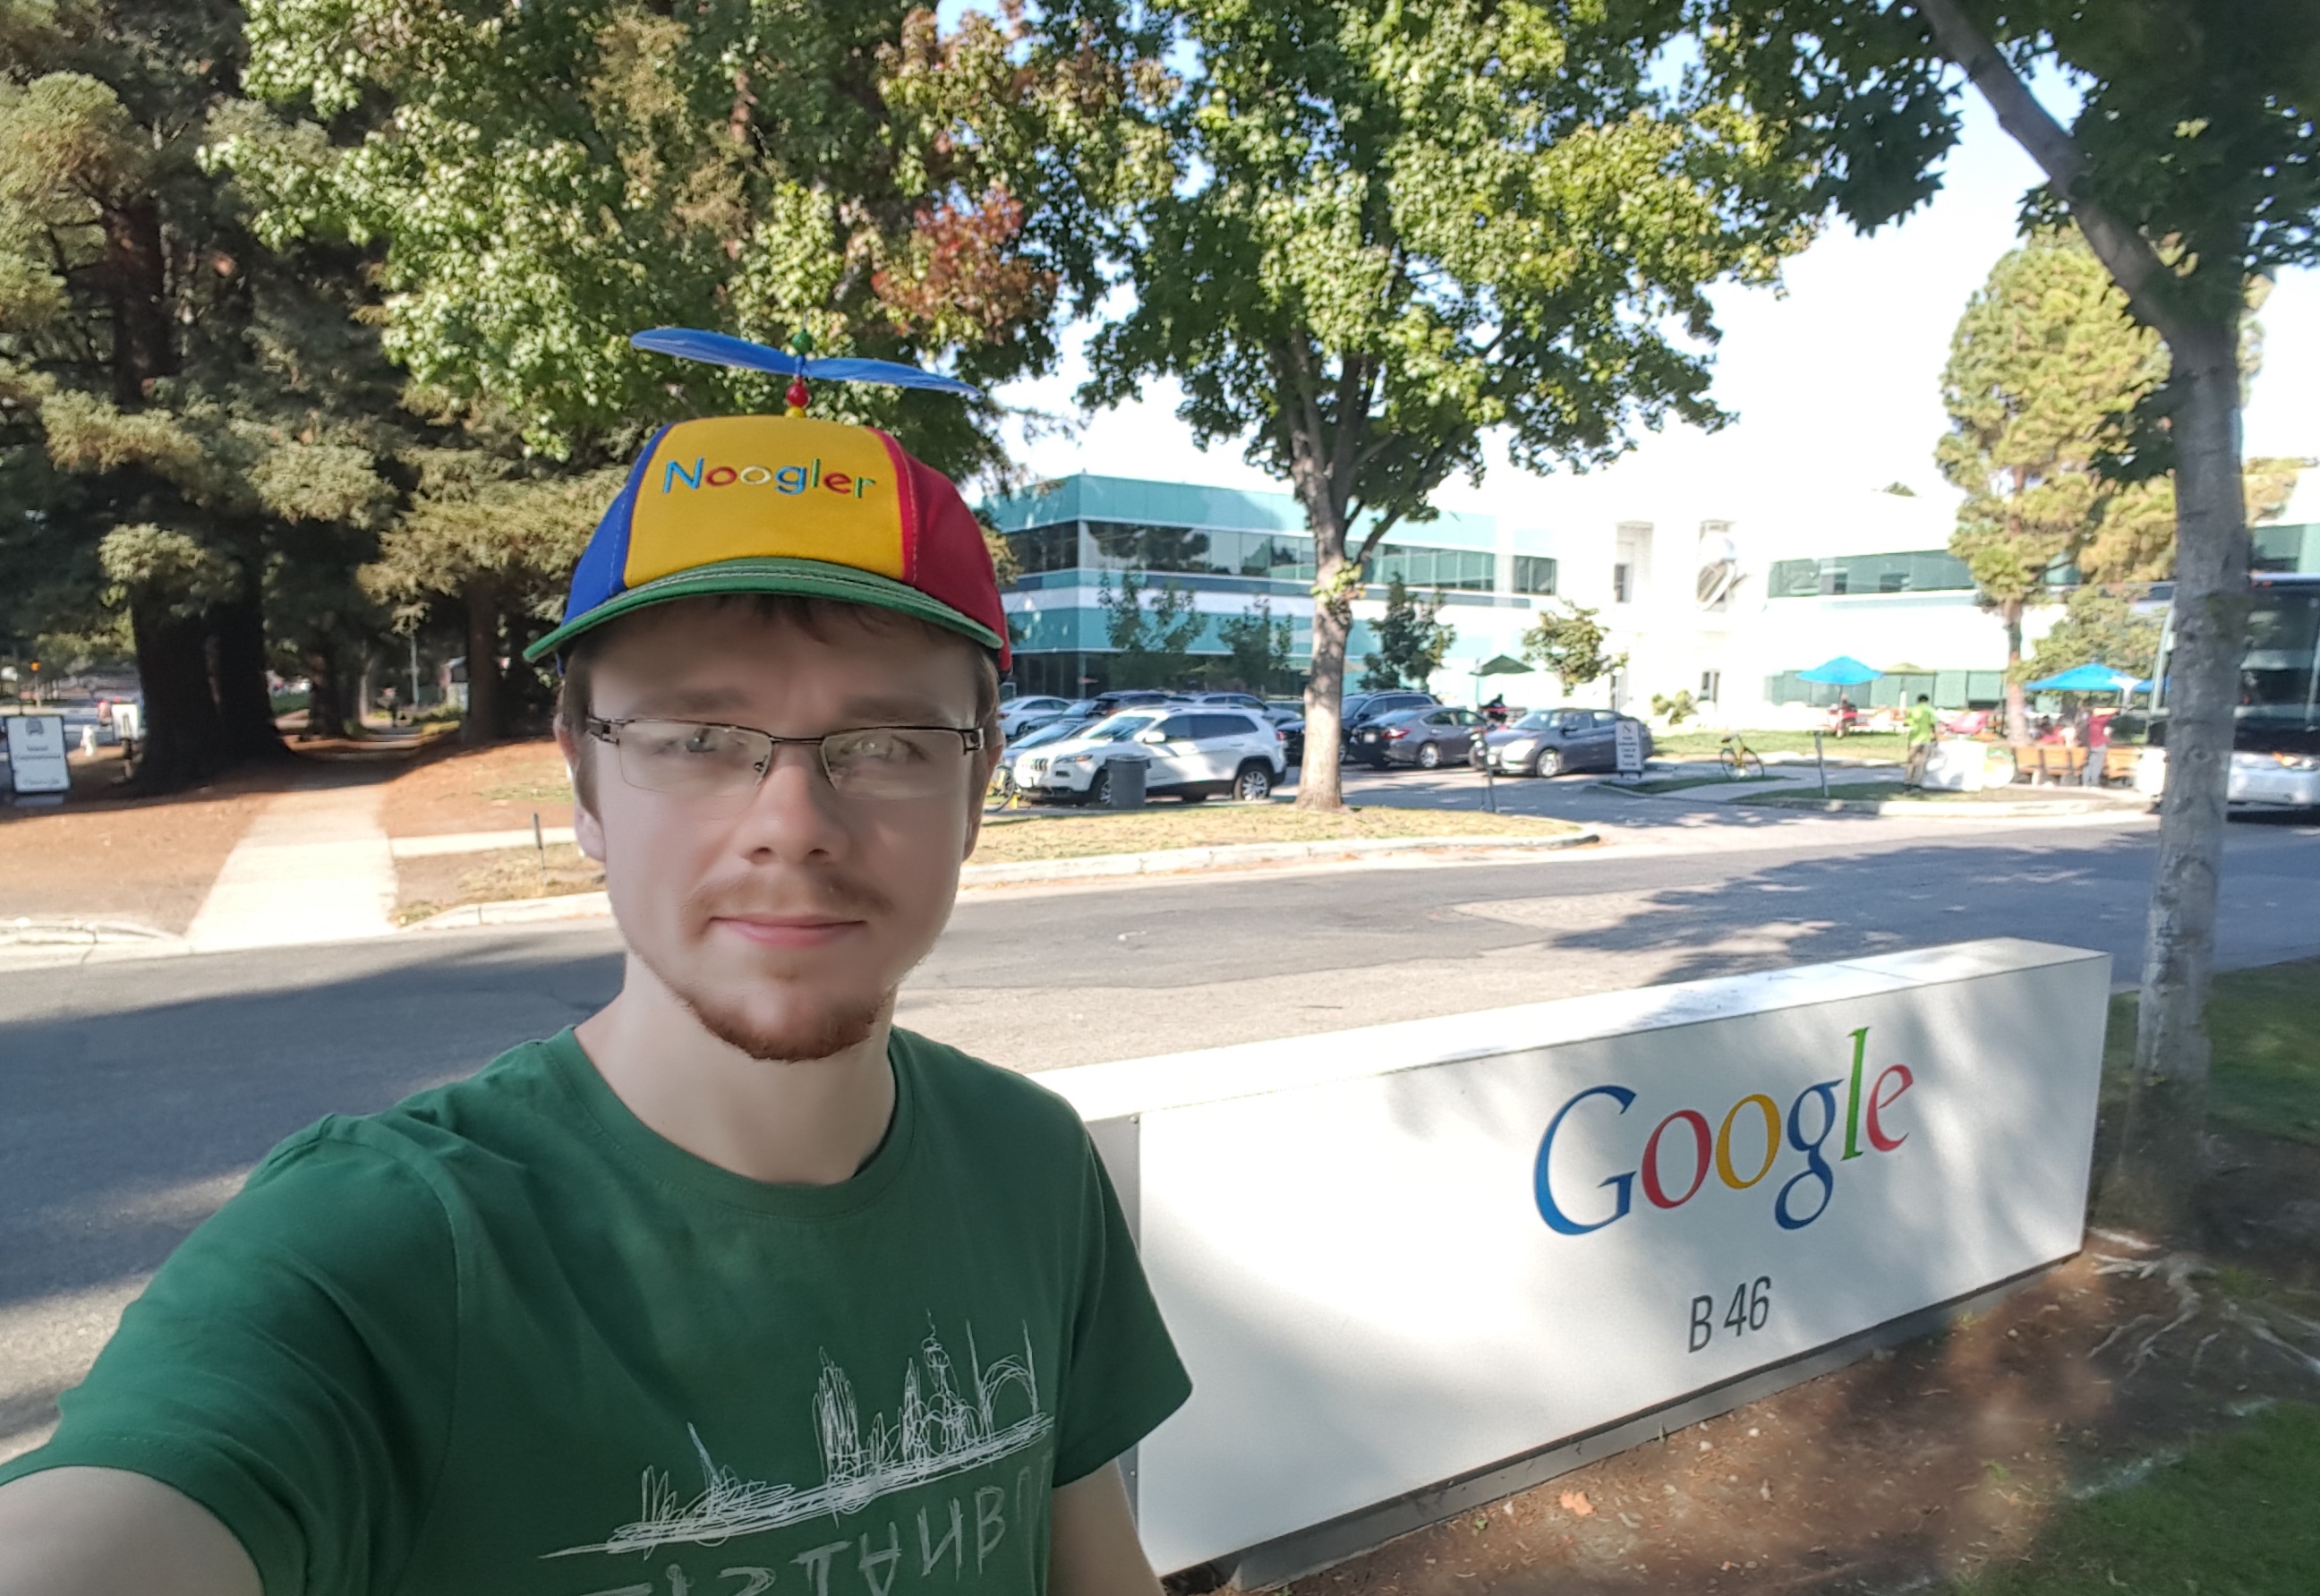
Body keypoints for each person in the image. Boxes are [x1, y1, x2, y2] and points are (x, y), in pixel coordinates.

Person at [0, 408, 1192, 1595]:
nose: (792, 822)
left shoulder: (1031, 1164)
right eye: (695, 736)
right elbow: (124, 1509)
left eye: (885, 741)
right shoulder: (383, 1252)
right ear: (584, 778)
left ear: (979, 780)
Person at [1904, 694, 1937, 786]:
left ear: (1918, 700)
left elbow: (1906, 723)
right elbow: (1932, 724)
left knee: (1911, 760)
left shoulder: (1912, 709)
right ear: (1927, 701)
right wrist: (1934, 735)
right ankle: (1917, 781)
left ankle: (1907, 779)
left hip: (1914, 738)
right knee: (1921, 762)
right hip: (1925, 738)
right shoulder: (1930, 710)